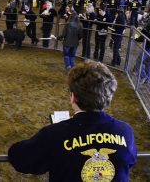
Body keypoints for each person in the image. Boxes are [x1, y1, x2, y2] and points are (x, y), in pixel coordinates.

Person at [8, 60, 137, 182]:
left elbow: (21, 159)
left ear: (73, 97)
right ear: (109, 96)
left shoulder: (54, 134)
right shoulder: (125, 131)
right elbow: (130, 162)